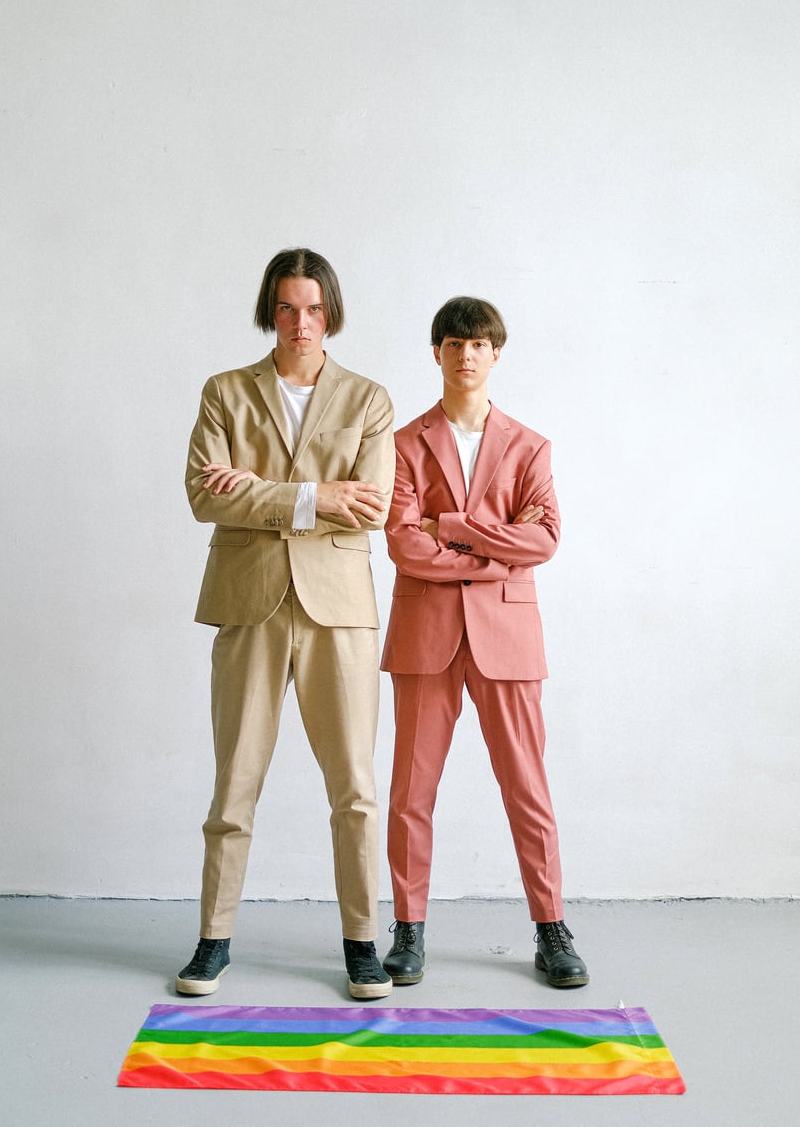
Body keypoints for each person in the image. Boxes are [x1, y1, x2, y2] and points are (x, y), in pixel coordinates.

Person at [177, 247, 396, 1000]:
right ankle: (213, 938)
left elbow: (372, 503)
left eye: (312, 307)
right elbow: (206, 496)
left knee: (356, 789)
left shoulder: (368, 400)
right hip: (250, 603)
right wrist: (313, 497)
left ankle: (363, 942)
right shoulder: (225, 392)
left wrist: (264, 492)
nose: (300, 322)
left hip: (340, 610)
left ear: (330, 310)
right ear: (268, 310)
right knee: (234, 782)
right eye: (285, 307)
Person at [379, 296, 588, 988]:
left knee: (527, 786)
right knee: (412, 790)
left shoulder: (531, 447)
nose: (465, 355)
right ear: (435, 352)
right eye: (453, 343)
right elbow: (405, 545)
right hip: (425, 638)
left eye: (478, 344)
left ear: (496, 354)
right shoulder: (405, 444)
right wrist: (497, 543)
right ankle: (408, 930)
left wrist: (456, 526)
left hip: (508, 638)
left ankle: (551, 928)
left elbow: (546, 538)